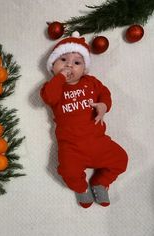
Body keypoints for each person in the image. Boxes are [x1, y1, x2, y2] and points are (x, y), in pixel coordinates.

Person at [40, 33, 128, 208]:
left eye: (77, 62)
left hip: (98, 140)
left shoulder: (91, 82)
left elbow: (105, 93)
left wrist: (104, 105)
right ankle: (81, 188)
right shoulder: (53, 87)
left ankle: (100, 182)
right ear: (52, 66)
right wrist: (59, 78)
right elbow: (49, 98)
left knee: (121, 159)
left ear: (85, 69)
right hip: (71, 146)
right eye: (63, 60)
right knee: (67, 171)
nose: (69, 65)